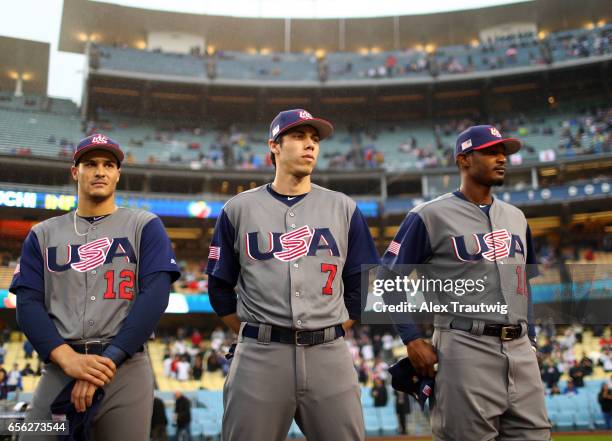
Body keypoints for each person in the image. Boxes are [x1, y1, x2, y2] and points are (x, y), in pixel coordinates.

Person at [206, 109, 379, 441]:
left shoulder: (344, 207)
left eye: (314, 139)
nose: (310, 145)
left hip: (330, 354)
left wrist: (335, 327)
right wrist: (251, 333)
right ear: (274, 146)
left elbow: (364, 280)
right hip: (260, 356)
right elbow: (219, 286)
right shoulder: (239, 208)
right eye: (299, 137)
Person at [380, 125, 551, 440]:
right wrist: (412, 338)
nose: (501, 158)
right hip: (464, 346)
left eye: (504, 152)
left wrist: (531, 339)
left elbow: (523, 283)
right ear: (464, 160)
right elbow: (386, 277)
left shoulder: (517, 217)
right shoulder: (429, 215)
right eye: (490, 152)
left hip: (520, 353)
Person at [10, 134, 180, 441]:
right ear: (75, 172)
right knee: (33, 436)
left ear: (118, 173)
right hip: (61, 367)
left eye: (108, 164)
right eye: (90, 164)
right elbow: (27, 305)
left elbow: (155, 297)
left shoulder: (145, 225)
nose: (100, 171)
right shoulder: (43, 234)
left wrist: (107, 361)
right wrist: (68, 359)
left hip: (126, 368)